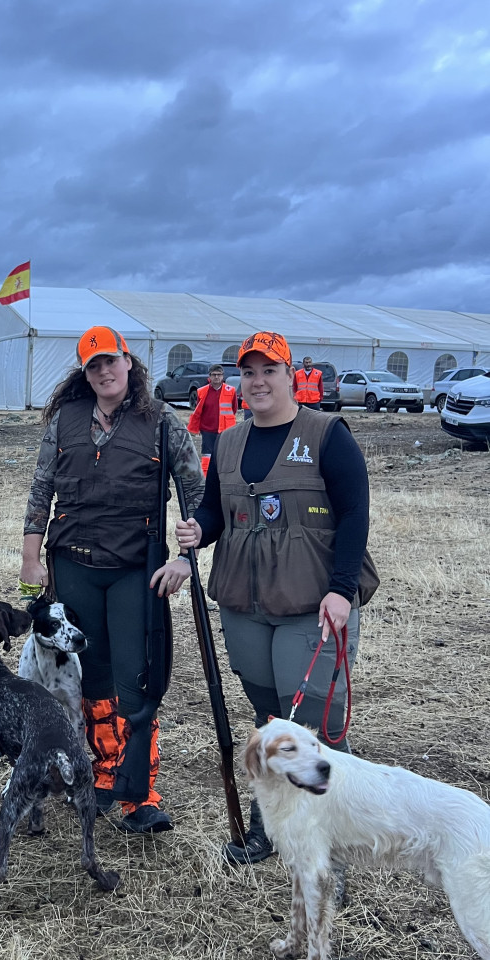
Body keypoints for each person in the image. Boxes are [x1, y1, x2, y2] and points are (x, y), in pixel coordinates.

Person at [171, 332, 378, 865]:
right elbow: (218, 508)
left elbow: (355, 514)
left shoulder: (327, 434)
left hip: (312, 605)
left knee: (313, 727)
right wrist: (200, 532)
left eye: (269, 370)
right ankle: (270, 830)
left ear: (291, 375)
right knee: (269, 720)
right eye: (249, 372)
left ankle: (334, 836)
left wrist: (341, 589)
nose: (258, 381)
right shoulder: (231, 440)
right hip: (245, 602)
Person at [20, 326, 205, 833]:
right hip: (74, 564)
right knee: (91, 676)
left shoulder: (163, 422)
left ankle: (138, 793)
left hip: (133, 571)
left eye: (111, 361)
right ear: (85, 373)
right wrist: (30, 558)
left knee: (135, 679)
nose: (104, 372)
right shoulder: (66, 420)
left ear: (129, 362)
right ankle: (100, 778)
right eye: (93, 365)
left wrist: (187, 558)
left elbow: (196, 495)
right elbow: (41, 490)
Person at [187, 364, 239, 467]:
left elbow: (234, 408)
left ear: (223, 376)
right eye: (214, 375)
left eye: (219, 375)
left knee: (224, 454)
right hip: (207, 430)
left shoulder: (231, 390)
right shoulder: (201, 391)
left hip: (225, 430)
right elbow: (198, 410)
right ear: (209, 376)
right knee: (207, 456)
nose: (216, 377)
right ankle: (206, 477)